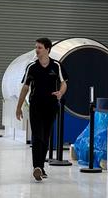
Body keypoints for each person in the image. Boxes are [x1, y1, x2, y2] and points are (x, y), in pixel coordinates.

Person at [15, 37, 68, 182]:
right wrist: (18, 107)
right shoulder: (31, 67)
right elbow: (25, 88)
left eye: (39, 47)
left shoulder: (56, 66)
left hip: (51, 106)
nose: (36, 50)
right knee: (37, 135)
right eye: (36, 47)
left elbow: (64, 83)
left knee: (45, 136)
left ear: (47, 49)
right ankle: (37, 167)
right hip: (36, 105)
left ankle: (41, 168)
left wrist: (60, 93)